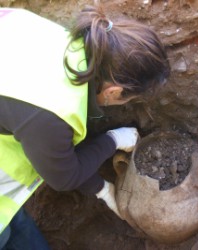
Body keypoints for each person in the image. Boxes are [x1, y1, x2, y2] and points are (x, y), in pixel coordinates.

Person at [0, 3, 170, 249]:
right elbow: (64, 177)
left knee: (16, 223)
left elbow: (54, 152)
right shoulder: (51, 113)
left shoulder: (56, 39)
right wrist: (113, 141)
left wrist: (99, 187)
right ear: (113, 91)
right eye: (128, 98)